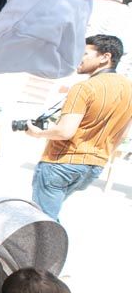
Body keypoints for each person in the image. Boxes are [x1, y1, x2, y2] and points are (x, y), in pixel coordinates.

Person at [25, 35, 132, 220]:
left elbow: (65, 131)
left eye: (85, 53)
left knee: (42, 221)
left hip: (61, 163)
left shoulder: (84, 88)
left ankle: (50, 248)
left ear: (105, 57)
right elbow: (122, 133)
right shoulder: (129, 90)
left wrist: (38, 133)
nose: (77, 58)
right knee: (48, 216)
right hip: (93, 166)